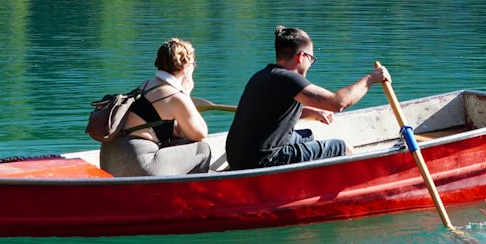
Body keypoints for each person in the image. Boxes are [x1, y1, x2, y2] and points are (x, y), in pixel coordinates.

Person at [224, 25, 391, 171]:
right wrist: (372, 78)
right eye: (311, 59)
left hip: (237, 158)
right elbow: (338, 102)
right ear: (301, 57)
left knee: (307, 136)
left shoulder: (262, 75)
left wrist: (312, 111)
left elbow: (273, 113)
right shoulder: (288, 78)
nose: (311, 64)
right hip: (261, 161)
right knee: (343, 147)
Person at [99, 38, 213, 178]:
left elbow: (175, 133)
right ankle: (187, 195)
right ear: (185, 68)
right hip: (138, 163)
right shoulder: (175, 97)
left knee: (180, 143)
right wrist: (186, 94)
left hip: (108, 160)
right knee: (202, 149)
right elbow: (200, 134)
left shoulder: (145, 86)